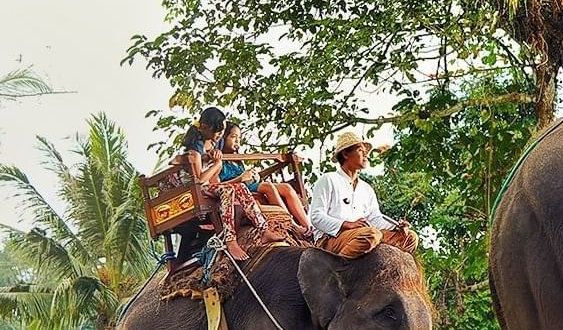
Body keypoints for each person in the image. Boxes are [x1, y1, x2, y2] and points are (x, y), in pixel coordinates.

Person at [178, 106, 284, 261]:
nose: (220, 135)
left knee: (240, 187)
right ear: (206, 128)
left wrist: (214, 159)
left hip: (207, 185)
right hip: (196, 189)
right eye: (218, 131)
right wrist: (216, 164)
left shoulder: (215, 143)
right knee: (228, 190)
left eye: (222, 131)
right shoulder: (195, 149)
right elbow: (199, 180)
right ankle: (230, 240)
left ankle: (264, 229)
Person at [308, 130, 419, 259]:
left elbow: (375, 218)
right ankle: (339, 269)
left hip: (363, 236)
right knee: (371, 234)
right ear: (345, 154)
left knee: (410, 237)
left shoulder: (366, 189)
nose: (366, 154)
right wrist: (347, 224)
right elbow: (316, 217)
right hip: (331, 239)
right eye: (360, 150)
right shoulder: (328, 179)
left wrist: (396, 226)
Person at [218, 123, 312, 235]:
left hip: (248, 184)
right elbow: (218, 185)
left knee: (286, 187)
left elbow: (246, 176)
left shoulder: (237, 160)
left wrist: (252, 175)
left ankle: (308, 226)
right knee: (267, 186)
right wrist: (241, 178)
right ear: (223, 138)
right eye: (233, 137)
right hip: (237, 187)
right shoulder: (220, 160)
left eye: (239, 138)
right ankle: (292, 224)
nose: (237, 141)